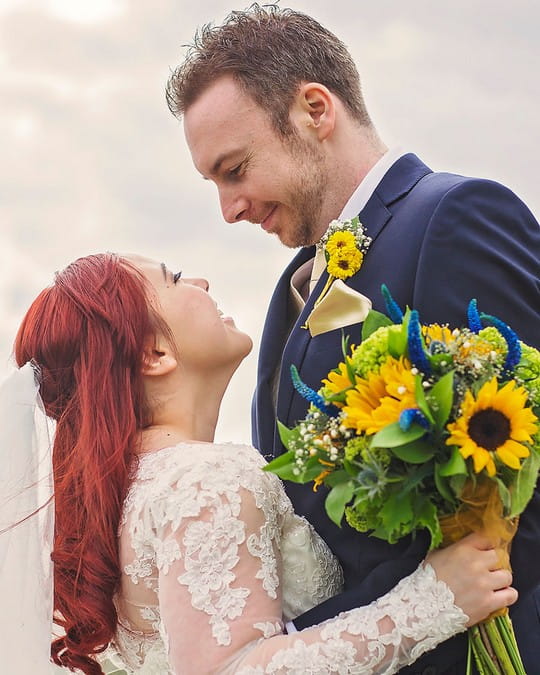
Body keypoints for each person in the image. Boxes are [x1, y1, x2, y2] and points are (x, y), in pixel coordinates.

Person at [165, 4, 540, 673]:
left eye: (235, 169)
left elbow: (526, 487)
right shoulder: (289, 296)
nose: (229, 209)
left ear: (315, 109)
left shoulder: (453, 217)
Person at [1, 253, 517, 674]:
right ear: (154, 355)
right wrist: (434, 601)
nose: (200, 279)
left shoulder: (118, 498)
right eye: (175, 279)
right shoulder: (205, 480)